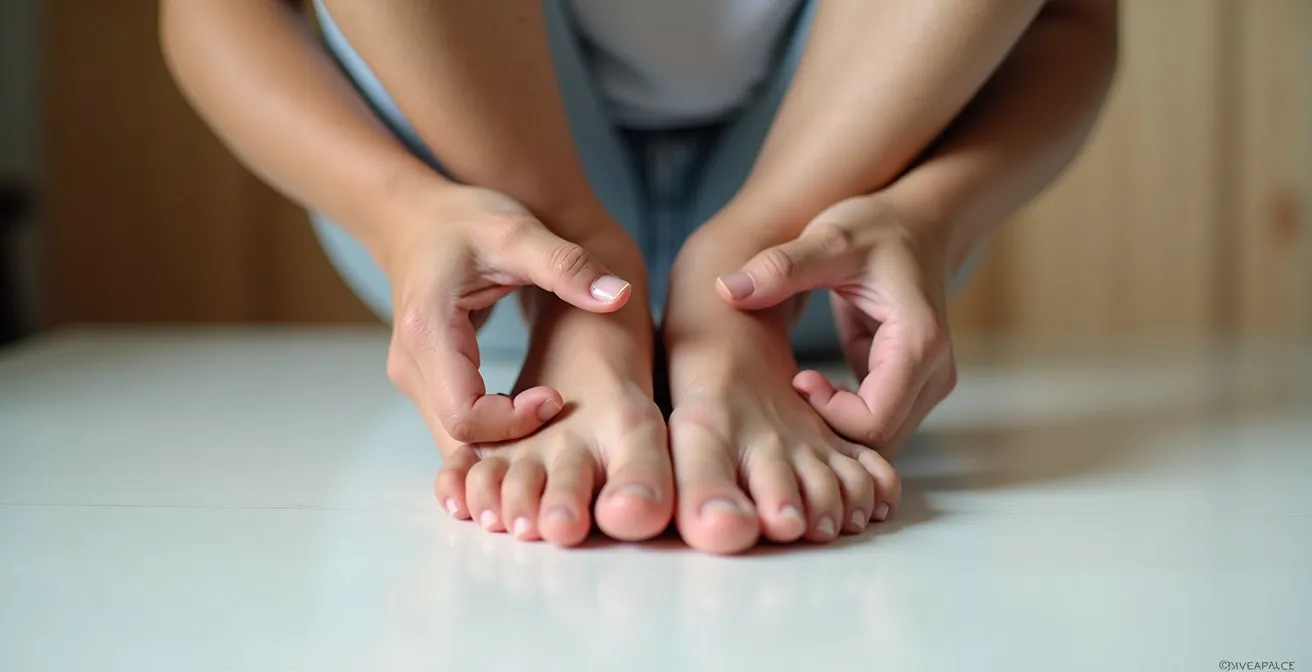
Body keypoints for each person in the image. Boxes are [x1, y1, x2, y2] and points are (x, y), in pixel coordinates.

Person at [161, 0, 1118, 555]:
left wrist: (930, 215)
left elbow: (1072, 20)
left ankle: (745, 282)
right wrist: (401, 213)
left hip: (840, 236)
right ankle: (576, 279)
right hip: (478, 235)